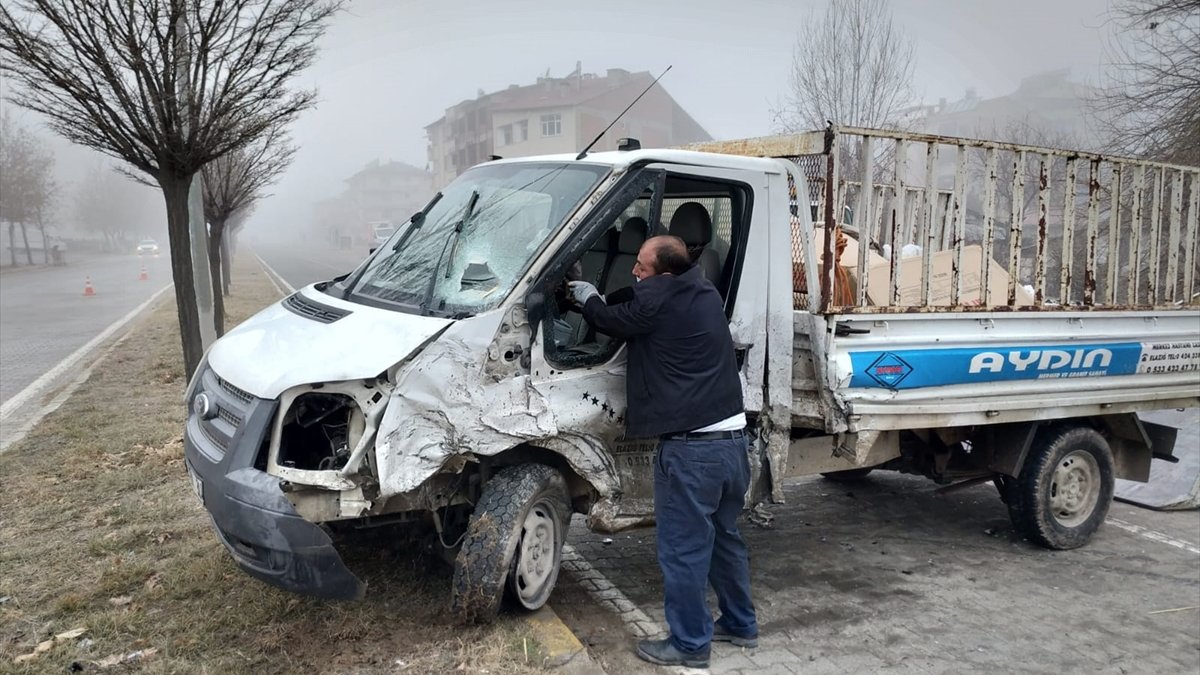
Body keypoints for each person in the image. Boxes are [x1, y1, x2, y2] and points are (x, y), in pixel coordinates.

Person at [567, 235, 758, 669]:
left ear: (664, 273)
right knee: (724, 539)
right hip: (732, 444)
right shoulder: (704, 289)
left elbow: (617, 319)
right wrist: (603, 293)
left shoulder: (656, 305)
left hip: (693, 455)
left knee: (683, 550)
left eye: (641, 266)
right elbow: (638, 297)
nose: (635, 271)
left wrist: (588, 299)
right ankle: (741, 624)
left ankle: (690, 645)